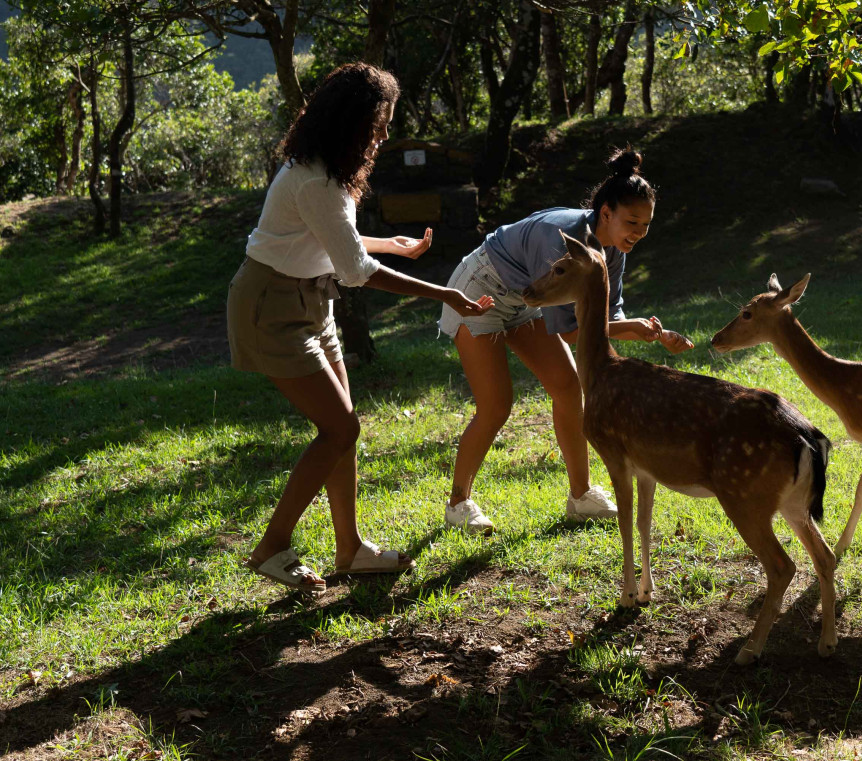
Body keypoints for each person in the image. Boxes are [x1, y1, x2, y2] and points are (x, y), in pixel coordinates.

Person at [228, 63, 493, 594]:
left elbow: (336, 238)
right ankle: (272, 546)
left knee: (343, 429)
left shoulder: (331, 170)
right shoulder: (314, 178)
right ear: (354, 120)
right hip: (271, 307)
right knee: (340, 428)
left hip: (312, 301)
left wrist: (389, 243)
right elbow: (354, 272)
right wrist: (446, 293)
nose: (385, 133)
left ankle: (348, 550)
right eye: (381, 122)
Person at [438, 148, 694, 535]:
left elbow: (611, 311)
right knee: (496, 405)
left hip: (525, 300)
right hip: (480, 293)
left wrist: (648, 331)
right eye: (632, 222)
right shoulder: (565, 244)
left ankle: (581, 496)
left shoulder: (612, 247)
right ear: (606, 213)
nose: (639, 233)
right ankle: (459, 503)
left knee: (568, 386)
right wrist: (630, 329)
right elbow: (573, 331)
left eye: (646, 225)